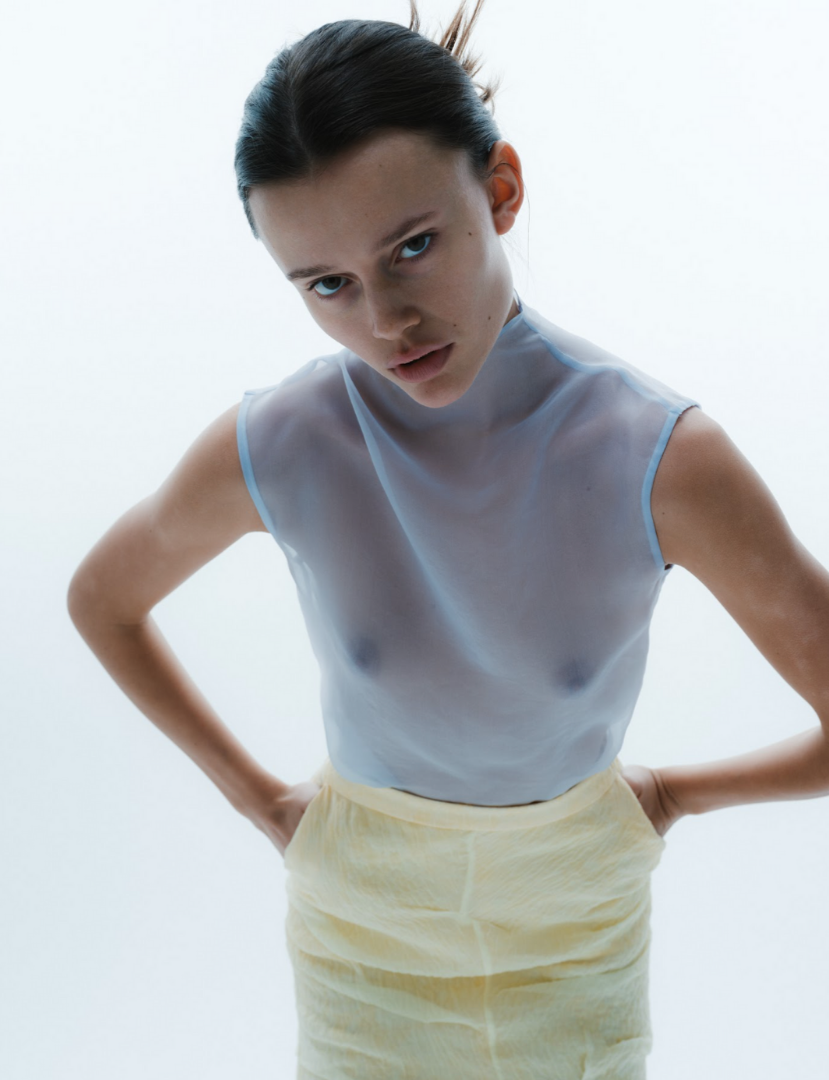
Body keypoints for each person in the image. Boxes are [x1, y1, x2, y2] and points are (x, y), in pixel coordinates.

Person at [66, 1, 829, 1076]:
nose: (385, 323)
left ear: (501, 190)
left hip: (575, 924)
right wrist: (262, 802)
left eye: (412, 248)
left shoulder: (658, 454)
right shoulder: (283, 441)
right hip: (361, 923)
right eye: (326, 285)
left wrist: (670, 795)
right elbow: (102, 599)